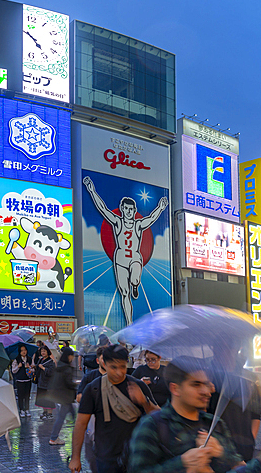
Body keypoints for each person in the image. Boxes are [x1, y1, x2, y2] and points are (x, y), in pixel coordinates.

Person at [127, 358, 256, 473]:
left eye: (206, 384)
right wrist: (183, 463)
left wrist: (221, 452)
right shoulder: (153, 426)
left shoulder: (214, 424)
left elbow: (240, 465)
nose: (206, 391)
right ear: (175, 389)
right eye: (196, 385)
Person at [82, 175, 169, 325]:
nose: (128, 211)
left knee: (134, 279)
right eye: (126, 209)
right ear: (122, 209)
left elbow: (152, 218)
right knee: (124, 293)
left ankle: (136, 284)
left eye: (131, 209)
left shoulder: (138, 224)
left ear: (134, 210)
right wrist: (92, 191)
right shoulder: (117, 222)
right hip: (120, 258)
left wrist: (160, 207)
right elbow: (102, 209)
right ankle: (129, 323)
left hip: (135, 257)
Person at [70, 344, 159, 473]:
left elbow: (159, 417)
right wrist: (75, 457)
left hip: (137, 456)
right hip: (106, 458)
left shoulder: (137, 385)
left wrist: (144, 401)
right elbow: (80, 424)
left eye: (123, 367)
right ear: (104, 364)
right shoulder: (93, 389)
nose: (119, 372)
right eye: (114, 367)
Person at [47, 347, 77, 446]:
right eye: (72, 355)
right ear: (69, 356)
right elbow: (69, 383)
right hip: (66, 396)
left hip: (61, 395)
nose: (73, 358)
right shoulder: (67, 368)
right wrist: (76, 384)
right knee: (61, 417)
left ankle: (82, 431)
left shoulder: (60, 365)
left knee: (73, 414)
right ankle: (53, 438)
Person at [10, 345, 35, 417]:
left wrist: (29, 368)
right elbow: (13, 371)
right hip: (20, 380)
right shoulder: (16, 360)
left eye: (25, 350)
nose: (24, 352)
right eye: (22, 350)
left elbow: (33, 370)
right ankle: (21, 410)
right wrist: (18, 366)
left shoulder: (30, 359)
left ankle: (27, 409)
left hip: (28, 380)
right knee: (21, 396)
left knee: (27, 395)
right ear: (20, 352)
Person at [34, 345, 57, 419]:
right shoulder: (41, 360)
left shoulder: (51, 361)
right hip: (41, 382)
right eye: (42, 351)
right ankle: (44, 412)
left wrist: (43, 368)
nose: (43, 353)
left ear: (48, 352)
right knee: (42, 398)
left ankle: (49, 413)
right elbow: (38, 368)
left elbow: (51, 372)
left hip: (48, 383)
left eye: (44, 351)